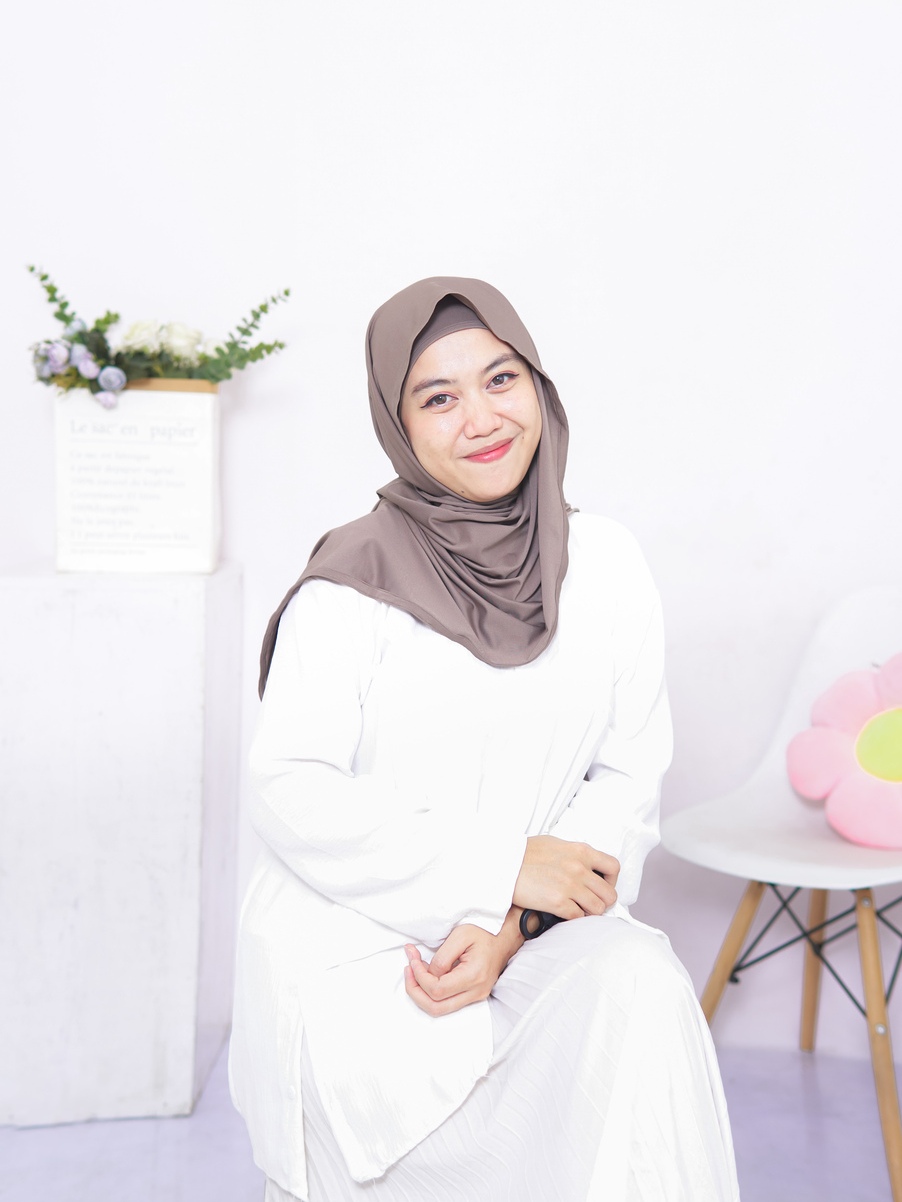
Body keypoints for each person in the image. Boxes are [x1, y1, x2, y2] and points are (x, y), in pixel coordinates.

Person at [229, 277, 740, 1202]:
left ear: (537, 384)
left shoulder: (606, 563)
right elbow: (290, 787)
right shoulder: (349, 585)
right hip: (370, 947)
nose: (481, 419)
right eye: (439, 398)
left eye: (500, 379)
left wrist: (510, 921)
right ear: (397, 424)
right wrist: (499, 865)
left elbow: (626, 775)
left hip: (535, 931)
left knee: (638, 988)